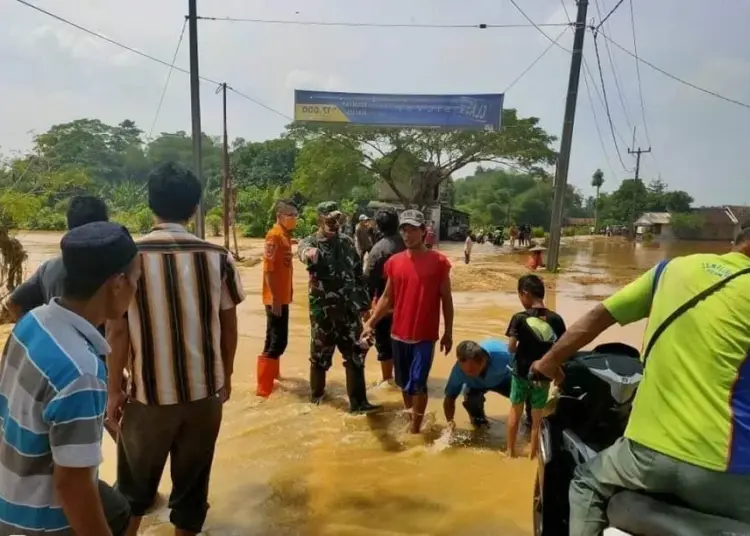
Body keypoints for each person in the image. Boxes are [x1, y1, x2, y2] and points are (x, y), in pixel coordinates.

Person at [531, 227, 750, 536]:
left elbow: (597, 317)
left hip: (646, 456)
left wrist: (548, 362)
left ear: (736, 244)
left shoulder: (671, 270)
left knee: (585, 481)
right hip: (734, 471)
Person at [106, 162, 245, 536]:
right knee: (191, 496)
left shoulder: (127, 259)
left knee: (133, 494)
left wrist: (113, 390)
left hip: (147, 399)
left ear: (151, 205)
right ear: (194, 208)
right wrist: (225, 378)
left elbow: (117, 332)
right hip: (204, 397)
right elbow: (229, 327)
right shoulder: (218, 258)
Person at [0, 221, 139, 536]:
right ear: (117, 284)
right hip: (38, 522)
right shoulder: (82, 371)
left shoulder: (31, 323)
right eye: (136, 279)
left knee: (116, 508)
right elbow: (72, 488)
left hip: (8, 492)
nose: (136, 290)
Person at [363, 209, 454, 434]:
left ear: (424, 231)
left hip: (424, 335)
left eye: (413, 229)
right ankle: (409, 415)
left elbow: (446, 299)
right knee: (404, 384)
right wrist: (370, 323)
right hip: (397, 333)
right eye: (404, 229)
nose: (408, 234)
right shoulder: (394, 262)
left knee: (419, 383)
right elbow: (386, 297)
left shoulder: (439, 262)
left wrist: (448, 332)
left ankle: (415, 429)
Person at [298, 201, 381, 414]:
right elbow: (303, 252)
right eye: (330, 220)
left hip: (349, 311)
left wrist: (364, 306)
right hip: (323, 314)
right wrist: (309, 254)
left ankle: (359, 404)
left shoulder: (346, 242)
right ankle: (317, 400)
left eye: (338, 219)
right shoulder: (310, 242)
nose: (335, 224)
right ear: (320, 219)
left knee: (356, 355)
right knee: (319, 358)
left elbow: (357, 275)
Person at [5, 195, 109, 325]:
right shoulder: (114, 268)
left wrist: (40, 334)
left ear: (69, 226)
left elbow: (13, 304)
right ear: (105, 226)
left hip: (59, 341)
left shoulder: (48, 268)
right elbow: (118, 330)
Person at [505, 274, 566, 459]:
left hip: (521, 372)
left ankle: (510, 452)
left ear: (525, 294)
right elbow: (561, 348)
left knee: (515, 411)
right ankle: (533, 455)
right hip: (543, 375)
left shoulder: (519, 318)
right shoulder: (556, 319)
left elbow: (511, 347)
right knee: (537, 417)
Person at [257, 199, 297, 396]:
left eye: (296, 215)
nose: (294, 219)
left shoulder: (285, 236)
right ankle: (264, 388)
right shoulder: (273, 236)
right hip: (275, 299)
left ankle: (273, 377)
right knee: (278, 341)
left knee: (273, 338)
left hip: (282, 297)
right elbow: (268, 269)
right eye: (291, 215)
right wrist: (274, 297)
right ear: (280, 216)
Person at [364, 207, 406, 385]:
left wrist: (366, 311)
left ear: (378, 227)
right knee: (404, 346)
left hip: (384, 307)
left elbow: (369, 281)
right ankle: (403, 379)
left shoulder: (377, 250)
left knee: (384, 348)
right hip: (408, 307)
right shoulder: (409, 244)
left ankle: (388, 382)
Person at [443, 339, 512, 431]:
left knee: (528, 393)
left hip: (503, 380)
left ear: (483, 361)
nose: (467, 374)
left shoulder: (501, 354)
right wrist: (450, 423)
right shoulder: (458, 371)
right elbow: (450, 398)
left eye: (471, 371)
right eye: (465, 371)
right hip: (475, 387)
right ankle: (480, 425)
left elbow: (524, 365)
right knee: (473, 404)